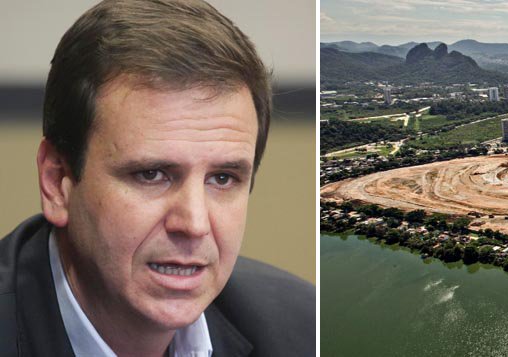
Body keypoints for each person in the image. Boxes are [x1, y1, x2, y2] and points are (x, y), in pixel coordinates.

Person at [0, 0, 314, 355]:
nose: (194, 224)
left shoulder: (300, 327)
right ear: (57, 183)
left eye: (223, 178)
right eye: (152, 174)